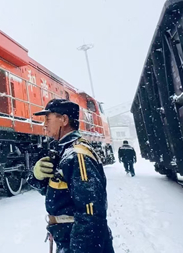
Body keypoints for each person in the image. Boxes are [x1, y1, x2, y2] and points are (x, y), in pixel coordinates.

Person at [27, 98, 114, 253]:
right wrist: (37, 175)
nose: (44, 124)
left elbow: (91, 213)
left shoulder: (78, 155)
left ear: (64, 119)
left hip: (76, 242)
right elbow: (59, 194)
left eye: (48, 118)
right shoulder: (65, 152)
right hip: (66, 237)